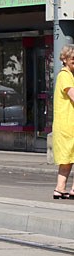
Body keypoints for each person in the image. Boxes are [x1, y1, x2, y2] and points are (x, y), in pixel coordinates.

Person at [52, 45, 74, 199]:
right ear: (65, 59)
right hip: (68, 124)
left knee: (67, 160)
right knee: (68, 158)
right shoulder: (65, 75)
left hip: (66, 124)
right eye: (73, 59)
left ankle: (60, 189)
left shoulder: (68, 75)